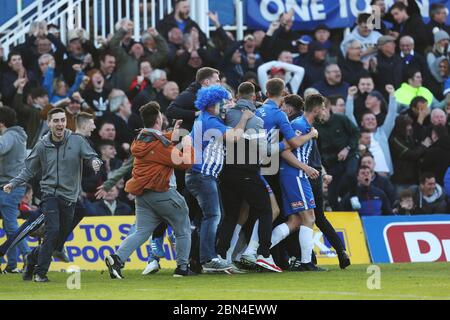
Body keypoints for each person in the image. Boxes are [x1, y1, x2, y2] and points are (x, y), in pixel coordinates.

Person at [3, 108, 102, 282]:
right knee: (52, 231)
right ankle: (40, 274)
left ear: (66, 122)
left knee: (56, 238)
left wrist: (95, 162)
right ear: (49, 123)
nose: (60, 124)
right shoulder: (42, 145)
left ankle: (32, 258)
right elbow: (28, 170)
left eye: (62, 120)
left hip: (70, 197)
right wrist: (13, 183)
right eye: (56, 121)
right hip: (49, 195)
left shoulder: (77, 141)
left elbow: (91, 156)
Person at [105, 101, 195, 278]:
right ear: (159, 120)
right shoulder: (159, 145)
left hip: (143, 196)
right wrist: (188, 143)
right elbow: (186, 163)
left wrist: (174, 134)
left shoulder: (140, 138)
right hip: (163, 193)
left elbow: (157, 139)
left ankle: (116, 259)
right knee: (183, 228)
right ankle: (182, 268)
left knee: (141, 232)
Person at [185, 85, 254, 273]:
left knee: (207, 217)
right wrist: (244, 118)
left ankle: (196, 259)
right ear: (211, 104)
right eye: (222, 102)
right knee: (214, 216)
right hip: (203, 175)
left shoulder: (203, 119)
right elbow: (234, 137)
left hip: (199, 175)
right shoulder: (211, 121)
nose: (225, 105)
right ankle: (208, 258)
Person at [216, 82, 282, 272]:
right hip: (246, 172)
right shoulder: (255, 120)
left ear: (237, 96)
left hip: (225, 172)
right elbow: (264, 152)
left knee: (230, 216)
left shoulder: (226, 115)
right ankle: (263, 253)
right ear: (254, 97)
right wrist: (283, 147)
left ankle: (221, 256)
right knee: (266, 210)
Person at [269, 94, 326, 271]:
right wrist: (306, 168)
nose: (324, 111)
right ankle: (306, 263)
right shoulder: (300, 125)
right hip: (295, 175)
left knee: (295, 221)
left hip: (294, 175)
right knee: (310, 218)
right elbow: (284, 151)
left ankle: (259, 251)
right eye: (323, 108)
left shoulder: (305, 125)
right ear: (316, 109)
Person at [0, 106, 31, 273]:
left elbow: (1, 147)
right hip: (13, 185)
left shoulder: (10, 135)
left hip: (9, 186)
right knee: (8, 224)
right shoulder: (17, 134)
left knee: (11, 225)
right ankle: (12, 265)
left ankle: (28, 254)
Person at [315, 97, 360, 210]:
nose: (321, 113)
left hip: (349, 155)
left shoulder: (341, 119)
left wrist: (348, 148)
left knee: (351, 174)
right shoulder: (315, 126)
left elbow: (355, 133)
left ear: (328, 108)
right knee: (331, 196)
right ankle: (339, 215)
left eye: (322, 109)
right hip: (333, 161)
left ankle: (354, 196)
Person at [346, 84, 397, 176]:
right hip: (365, 175)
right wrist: (350, 96)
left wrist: (392, 95)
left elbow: (392, 114)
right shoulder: (358, 134)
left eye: (373, 119)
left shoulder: (383, 132)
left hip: (383, 174)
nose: (371, 121)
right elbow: (349, 116)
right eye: (367, 119)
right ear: (362, 123)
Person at [166, 67, 221, 132]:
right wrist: (195, 114)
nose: (219, 84)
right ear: (207, 82)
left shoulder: (213, 97)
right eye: (217, 81)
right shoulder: (189, 94)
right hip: (188, 137)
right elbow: (170, 111)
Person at [389, 114, 430, 191]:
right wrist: (424, 146)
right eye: (407, 125)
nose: (410, 127)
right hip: (401, 181)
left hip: (413, 179)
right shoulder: (394, 140)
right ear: (400, 127)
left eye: (410, 125)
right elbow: (410, 154)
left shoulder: (409, 137)